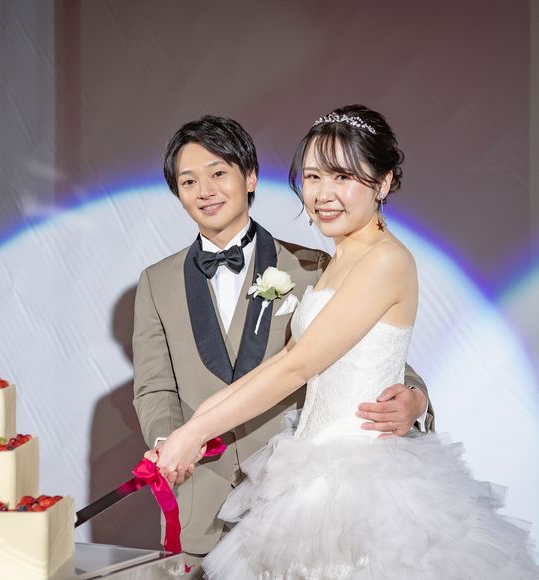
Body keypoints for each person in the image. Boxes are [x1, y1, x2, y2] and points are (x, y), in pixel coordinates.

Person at [153, 106, 538, 578]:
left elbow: (297, 367)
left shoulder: (385, 260)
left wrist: (193, 435)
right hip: (310, 467)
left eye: (342, 176)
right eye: (313, 176)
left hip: (358, 481)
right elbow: (290, 356)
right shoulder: (339, 258)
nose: (323, 194)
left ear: (383, 182)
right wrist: (187, 432)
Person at [133, 114, 432, 575]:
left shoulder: (314, 264)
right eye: (189, 180)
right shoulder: (157, 282)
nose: (205, 190)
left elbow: (321, 362)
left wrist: (415, 398)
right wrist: (176, 441)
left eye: (218, 173)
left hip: (324, 489)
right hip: (212, 495)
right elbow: (154, 386)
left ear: (250, 177)